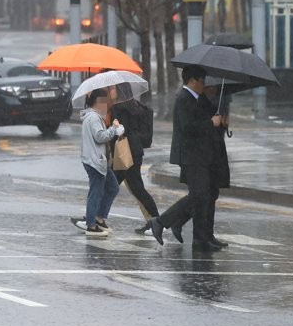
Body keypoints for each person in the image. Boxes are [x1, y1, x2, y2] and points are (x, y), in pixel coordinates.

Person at [149, 65, 225, 252]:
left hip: (202, 155)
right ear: (192, 80)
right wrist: (210, 122)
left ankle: (201, 237)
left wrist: (221, 121)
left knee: (204, 196)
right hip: (191, 156)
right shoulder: (183, 98)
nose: (204, 85)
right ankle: (160, 222)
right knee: (199, 195)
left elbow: (211, 119)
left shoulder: (198, 99)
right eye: (202, 81)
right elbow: (189, 128)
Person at [72, 88, 124, 237]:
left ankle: (99, 218)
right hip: (95, 161)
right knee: (96, 192)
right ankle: (91, 224)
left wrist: (112, 129)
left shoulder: (94, 117)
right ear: (97, 102)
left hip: (99, 160)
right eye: (105, 102)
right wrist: (114, 129)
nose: (107, 105)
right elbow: (100, 137)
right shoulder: (93, 117)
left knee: (113, 187)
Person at [110, 89, 159, 234]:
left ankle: (157, 221)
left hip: (125, 153)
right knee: (111, 185)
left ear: (119, 90)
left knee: (135, 188)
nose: (110, 91)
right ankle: (93, 218)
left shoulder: (120, 108)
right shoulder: (135, 106)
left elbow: (119, 132)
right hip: (134, 151)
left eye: (112, 88)